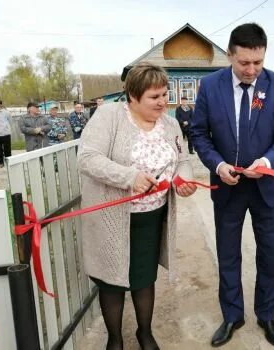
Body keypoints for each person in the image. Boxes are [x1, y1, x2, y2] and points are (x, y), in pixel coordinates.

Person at [191, 23, 274, 347]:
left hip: (266, 189)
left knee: (269, 255)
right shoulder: (210, 87)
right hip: (228, 187)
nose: (252, 70)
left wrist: (266, 163)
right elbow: (199, 134)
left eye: (258, 63)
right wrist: (219, 165)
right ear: (230, 55)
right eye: (244, 63)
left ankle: (266, 315)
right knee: (228, 255)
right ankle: (232, 315)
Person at [78, 63, 197, 350]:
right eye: (154, 97)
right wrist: (129, 177)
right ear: (132, 96)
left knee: (144, 277)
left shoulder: (169, 124)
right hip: (112, 217)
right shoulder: (109, 116)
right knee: (112, 281)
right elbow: (87, 157)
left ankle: (145, 333)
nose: (162, 103)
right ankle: (115, 339)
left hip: (151, 217)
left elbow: (182, 160)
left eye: (164, 95)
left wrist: (184, 181)